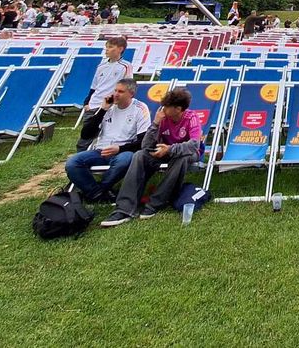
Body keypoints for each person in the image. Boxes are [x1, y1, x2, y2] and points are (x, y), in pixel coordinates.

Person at [100, 87, 202, 226]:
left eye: (166, 107)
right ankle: (124, 208)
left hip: (186, 153)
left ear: (178, 109)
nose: (163, 109)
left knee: (182, 159)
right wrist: (155, 124)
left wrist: (170, 149)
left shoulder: (192, 118)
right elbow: (146, 145)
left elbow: (194, 145)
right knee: (140, 155)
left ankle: (155, 203)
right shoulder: (162, 118)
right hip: (164, 151)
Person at [65, 79, 151, 201]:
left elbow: (144, 142)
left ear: (131, 94)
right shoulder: (107, 108)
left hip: (123, 151)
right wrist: (102, 110)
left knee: (125, 160)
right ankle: (98, 193)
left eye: (120, 91)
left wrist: (119, 149)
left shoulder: (140, 109)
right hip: (100, 151)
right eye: (115, 90)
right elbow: (86, 135)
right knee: (72, 162)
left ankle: (99, 191)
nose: (116, 94)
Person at [85, 36, 133, 110]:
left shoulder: (126, 66)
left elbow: (128, 88)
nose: (107, 49)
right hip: (93, 104)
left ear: (120, 49)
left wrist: (111, 103)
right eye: (106, 47)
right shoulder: (101, 66)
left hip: (110, 105)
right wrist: (87, 103)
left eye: (110, 47)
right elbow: (94, 87)